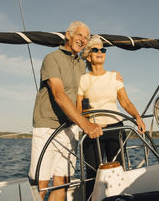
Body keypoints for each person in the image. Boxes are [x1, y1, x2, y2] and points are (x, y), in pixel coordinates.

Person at [28, 21, 103, 201]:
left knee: (62, 182)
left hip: (69, 129)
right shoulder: (52, 58)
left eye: (86, 37)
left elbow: (87, 90)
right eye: (79, 35)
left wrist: (113, 75)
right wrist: (86, 125)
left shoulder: (80, 65)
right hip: (47, 127)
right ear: (68, 35)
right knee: (41, 185)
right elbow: (59, 95)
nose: (83, 40)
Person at [76, 35, 146, 198]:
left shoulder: (114, 77)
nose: (100, 52)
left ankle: (119, 198)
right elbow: (79, 106)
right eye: (95, 50)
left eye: (103, 49)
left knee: (117, 170)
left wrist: (137, 117)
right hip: (93, 130)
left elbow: (125, 102)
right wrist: (85, 124)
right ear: (88, 55)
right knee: (92, 172)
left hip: (115, 128)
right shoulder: (83, 79)